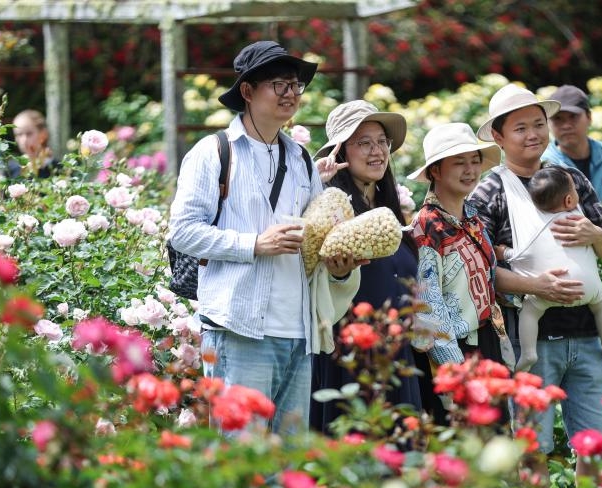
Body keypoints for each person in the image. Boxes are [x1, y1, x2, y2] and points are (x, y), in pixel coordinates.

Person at [169, 40, 362, 436]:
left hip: (298, 330)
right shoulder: (213, 153)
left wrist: (339, 261)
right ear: (247, 91)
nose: (291, 93)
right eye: (280, 84)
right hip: (240, 327)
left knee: (287, 468)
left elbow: (312, 241)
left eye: (296, 85)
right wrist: (255, 244)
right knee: (241, 458)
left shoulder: (301, 159)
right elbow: (183, 231)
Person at [467, 83, 602, 488]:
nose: (533, 135)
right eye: (520, 128)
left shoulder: (569, 179)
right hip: (530, 342)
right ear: (498, 137)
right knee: (533, 445)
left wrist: (593, 232)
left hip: (587, 335)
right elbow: (482, 270)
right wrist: (536, 284)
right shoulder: (489, 191)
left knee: (597, 444)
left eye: (538, 124)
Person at [309, 99, 430, 434]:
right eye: (364, 142)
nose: (377, 151)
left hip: (395, 353)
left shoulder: (391, 211)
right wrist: (338, 273)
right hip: (349, 356)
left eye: (382, 141)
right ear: (340, 151)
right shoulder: (328, 207)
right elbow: (315, 277)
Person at [407, 122, 512, 380]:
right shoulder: (427, 225)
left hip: (487, 341)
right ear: (435, 171)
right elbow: (429, 306)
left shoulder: (472, 217)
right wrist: (456, 372)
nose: (470, 170)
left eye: (475, 161)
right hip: (456, 351)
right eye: (459, 162)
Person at [514, 166, 602, 372]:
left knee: (530, 310)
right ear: (569, 201)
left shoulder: (533, 225)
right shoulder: (580, 220)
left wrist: (506, 253)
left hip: (550, 286)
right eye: (574, 190)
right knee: (601, 304)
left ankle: (528, 353)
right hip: (588, 287)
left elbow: (520, 252)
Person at [7, 109, 58, 178]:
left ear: (43, 134)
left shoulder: (59, 170)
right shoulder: (10, 169)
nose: (24, 140)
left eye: (29, 134)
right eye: (19, 134)